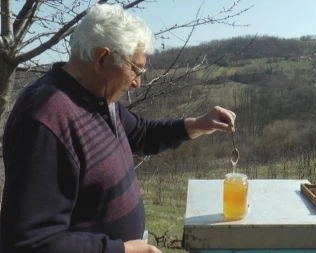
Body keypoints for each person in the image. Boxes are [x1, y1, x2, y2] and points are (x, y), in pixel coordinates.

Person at [0, 3, 235, 253]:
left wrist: (198, 125)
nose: (137, 83)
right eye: (135, 69)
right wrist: (121, 250)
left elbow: (141, 133)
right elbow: (29, 243)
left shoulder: (97, 99)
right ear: (101, 59)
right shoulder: (45, 120)